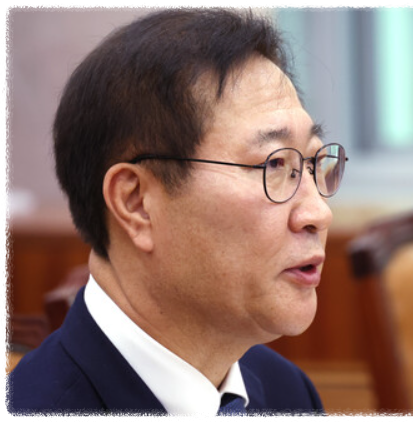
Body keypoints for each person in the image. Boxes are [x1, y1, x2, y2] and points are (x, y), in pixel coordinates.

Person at [7, 8, 348, 416]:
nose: (318, 214)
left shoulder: (287, 393)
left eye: (312, 163)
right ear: (136, 203)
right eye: (274, 164)